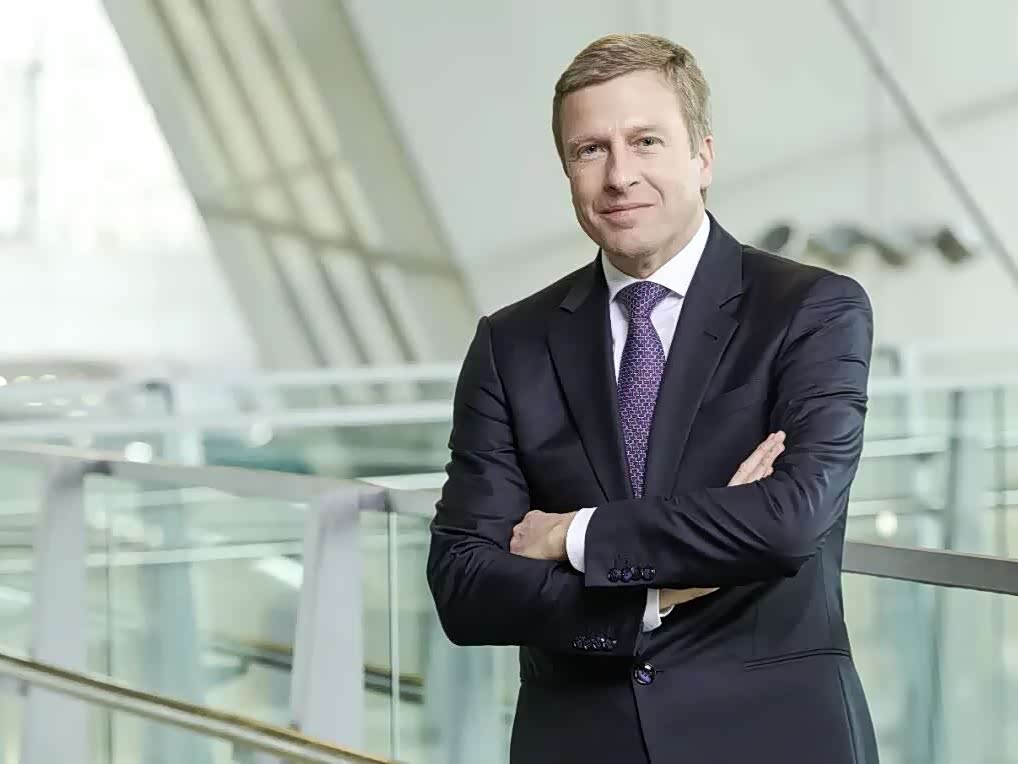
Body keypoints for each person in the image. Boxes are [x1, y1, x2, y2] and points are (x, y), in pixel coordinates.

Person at [427, 32, 878, 764]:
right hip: (577, 742)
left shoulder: (811, 310)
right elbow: (464, 583)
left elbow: (788, 521)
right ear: (567, 170)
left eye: (645, 141)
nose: (619, 175)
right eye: (590, 150)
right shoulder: (512, 343)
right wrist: (652, 595)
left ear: (702, 156)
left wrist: (573, 536)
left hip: (772, 737)